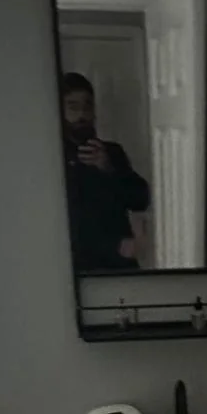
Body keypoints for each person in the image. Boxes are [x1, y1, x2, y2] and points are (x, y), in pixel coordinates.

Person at [60, 72, 150, 269]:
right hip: (76, 268)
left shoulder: (112, 152)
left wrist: (109, 169)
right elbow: (71, 221)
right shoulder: (52, 160)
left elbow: (141, 199)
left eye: (88, 106)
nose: (82, 115)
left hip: (120, 267)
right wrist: (114, 247)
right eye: (73, 107)